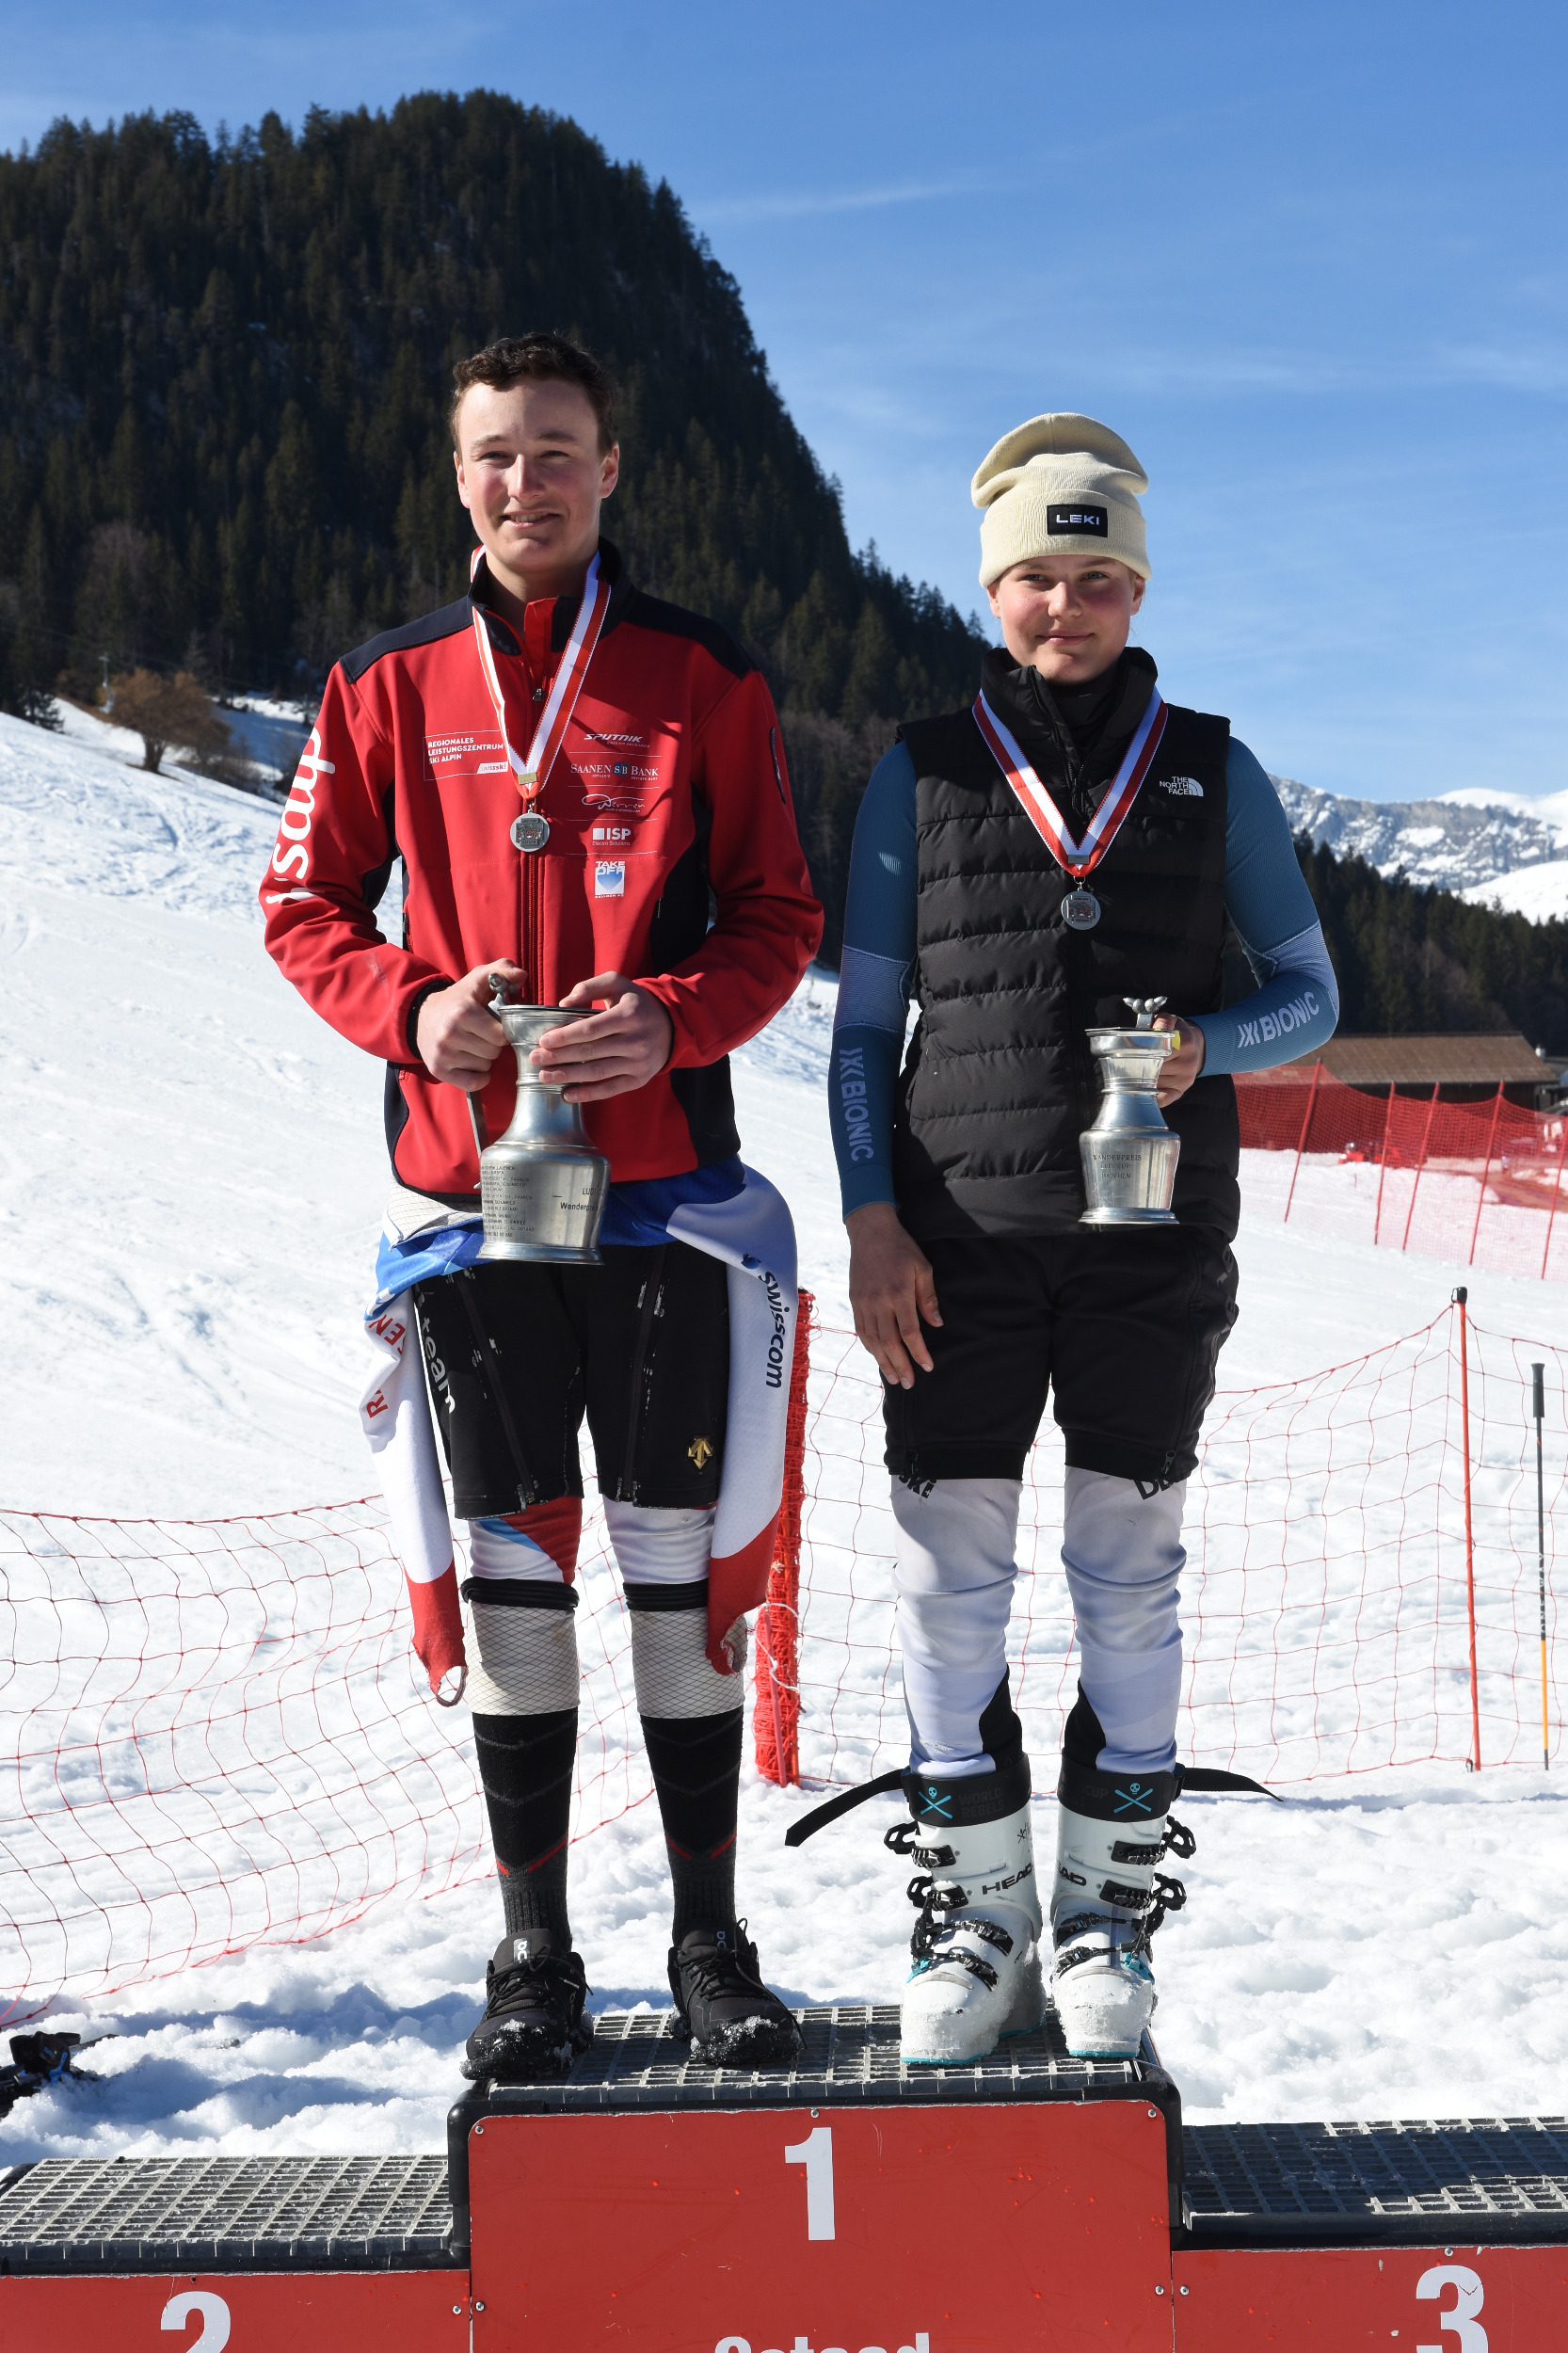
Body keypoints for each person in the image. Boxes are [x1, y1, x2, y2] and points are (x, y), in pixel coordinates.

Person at [262, 330, 823, 2081]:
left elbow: (777, 918)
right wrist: (412, 1010)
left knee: (672, 1577)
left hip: (662, 1209)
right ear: (459, 476)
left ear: (610, 468)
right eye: (497, 453)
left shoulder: (701, 674)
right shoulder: (382, 681)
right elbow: (300, 906)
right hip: (472, 1211)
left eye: (558, 449)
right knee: (517, 1576)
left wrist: (673, 1018)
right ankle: (534, 1956)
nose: (528, 481)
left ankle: (709, 1943)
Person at [823, 413, 1337, 2064]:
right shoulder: (920, 769)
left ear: (1137, 589)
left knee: (1130, 1581)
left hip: (1149, 1242)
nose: (1067, 603)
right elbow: (863, 1032)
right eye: (1038, 577)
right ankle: (973, 1916)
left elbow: (1308, 997)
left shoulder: (1213, 765)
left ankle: (1106, 1910)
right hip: (952, 1245)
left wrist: (1205, 1049)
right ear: (993, 590)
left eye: (1098, 575)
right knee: (946, 1591)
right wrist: (870, 1221)